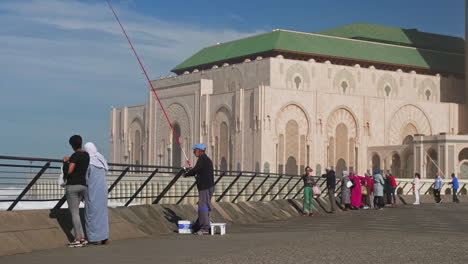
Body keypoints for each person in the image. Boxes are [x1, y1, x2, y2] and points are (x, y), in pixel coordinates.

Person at [63, 135, 90, 247]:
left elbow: (69, 171)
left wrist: (65, 162)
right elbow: (79, 164)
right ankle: (82, 238)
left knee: (74, 213)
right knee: (77, 213)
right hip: (83, 185)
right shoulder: (86, 155)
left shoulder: (75, 155)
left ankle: (77, 239)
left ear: (72, 145)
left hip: (73, 186)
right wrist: (71, 160)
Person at [184, 143, 215, 235]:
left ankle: (204, 228)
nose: (194, 152)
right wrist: (192, 171)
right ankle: (202, 225)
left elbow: (195, 170)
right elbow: (198, 170)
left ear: (200, 150)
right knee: (205, 206)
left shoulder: (202, 159)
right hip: (208, 186)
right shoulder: (205, 159)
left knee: (203, 207)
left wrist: (186, 174)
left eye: (195, 150)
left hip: (205, 187)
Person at [83, 142, 109, 245]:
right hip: (102, 191)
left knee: (91, 214)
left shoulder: (89, 162)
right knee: (102, 214)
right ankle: (104, 237)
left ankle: (95, 238)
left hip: (92, 191)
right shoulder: (101, 159)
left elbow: (85, 177)